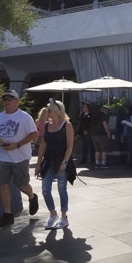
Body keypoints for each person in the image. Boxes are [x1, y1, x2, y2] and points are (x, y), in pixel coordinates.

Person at [0, 89, 39, 228]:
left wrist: (18, 144)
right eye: (5, 99)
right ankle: (8, 214)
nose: (7, 101)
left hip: (20, 157)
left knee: (21, 184)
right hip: (3, 157)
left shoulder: (24, 117)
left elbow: (34, 134)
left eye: (10, 99)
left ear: (16, 101)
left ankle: (32, 196)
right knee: (3, 184)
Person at [35, 98, 75, 230]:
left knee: (62, 189)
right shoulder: (47, 125)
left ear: (57, 111)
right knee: (45, 189)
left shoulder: (67, 125)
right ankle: (53, 214)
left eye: (49, 110)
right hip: (48, 160)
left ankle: (64, 217)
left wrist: (65, 162)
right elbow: (43, 144)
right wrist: (38, 163)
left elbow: (70, 146)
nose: (47, 112)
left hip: (61, 160)